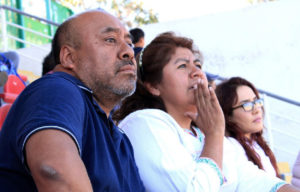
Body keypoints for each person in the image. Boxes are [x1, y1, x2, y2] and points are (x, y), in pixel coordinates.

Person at [113, 32, 300, 192]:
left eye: (198, 65)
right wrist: (215, 134)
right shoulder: (145, 123)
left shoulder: (202, 132)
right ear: (153, 86)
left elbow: (254, 180)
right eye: (182, 66)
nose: (197, 73)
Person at [0, 10, 145, 191]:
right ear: (69, 57)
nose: (129, 52)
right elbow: (54, 170)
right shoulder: (57, 89)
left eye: (129, 43)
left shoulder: (119, 138)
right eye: (110, 40)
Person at [215, 77, 280, 177]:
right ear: (228, 116)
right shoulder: (231, 148)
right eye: (247, 105)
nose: (257, 110)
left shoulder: (257, 144)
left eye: (256, 101)